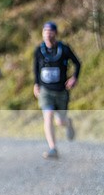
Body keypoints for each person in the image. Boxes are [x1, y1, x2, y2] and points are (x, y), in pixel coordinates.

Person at [33, 21, 81, 159]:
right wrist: (36, 84)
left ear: (56, 33)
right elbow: (36, 69)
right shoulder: (39, 51)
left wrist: (74, 78)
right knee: (47, 116)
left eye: (50, 31)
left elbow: (77, 63)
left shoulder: (64, 49)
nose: (48, 34)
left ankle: (68, 123)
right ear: (42, 34)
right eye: (45, 31)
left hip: (61, 90)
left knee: (60, 121)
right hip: (45, 90)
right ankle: (53, 148)